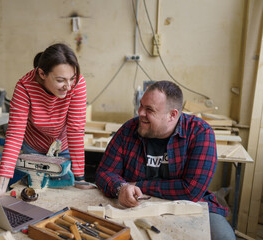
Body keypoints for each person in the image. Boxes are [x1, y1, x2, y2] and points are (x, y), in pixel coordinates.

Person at [95, 81, 235, 240]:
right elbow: (105, 172)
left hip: (189, 204)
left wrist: (138, 185)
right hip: (135, 204)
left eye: (149, 110)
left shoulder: (200, 133)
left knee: (224, 237)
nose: (140, 112)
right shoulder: (129, 129)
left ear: (172, 115)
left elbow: (191, 190)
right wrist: (120, 188)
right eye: (141, 105)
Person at [0, 43, 92, 197]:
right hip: (33, 146)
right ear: (42, 73)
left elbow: (75, 130)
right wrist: (1, 187)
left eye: (71, 78)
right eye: (60, 80)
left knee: (64, 192)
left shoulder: (77, 83)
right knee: (38, 193)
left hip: (63, 145)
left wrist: (80, 179)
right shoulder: (24, 87)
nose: (68, 87)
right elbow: (14, 136)